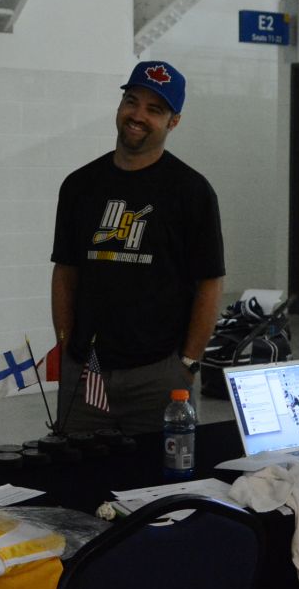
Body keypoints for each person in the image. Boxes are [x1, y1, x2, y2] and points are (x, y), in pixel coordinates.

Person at [49, 60, 225, 435]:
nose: (138, 115)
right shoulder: (79, 186)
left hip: (158, 377)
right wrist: (66, 352)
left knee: (159, 472)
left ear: (173, 122)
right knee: (77, 468)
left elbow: (209, 283)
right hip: (87, 373)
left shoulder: (192, 192)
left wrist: (188, 362)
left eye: (154, 109)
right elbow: (65, 271)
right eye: (132, 101)